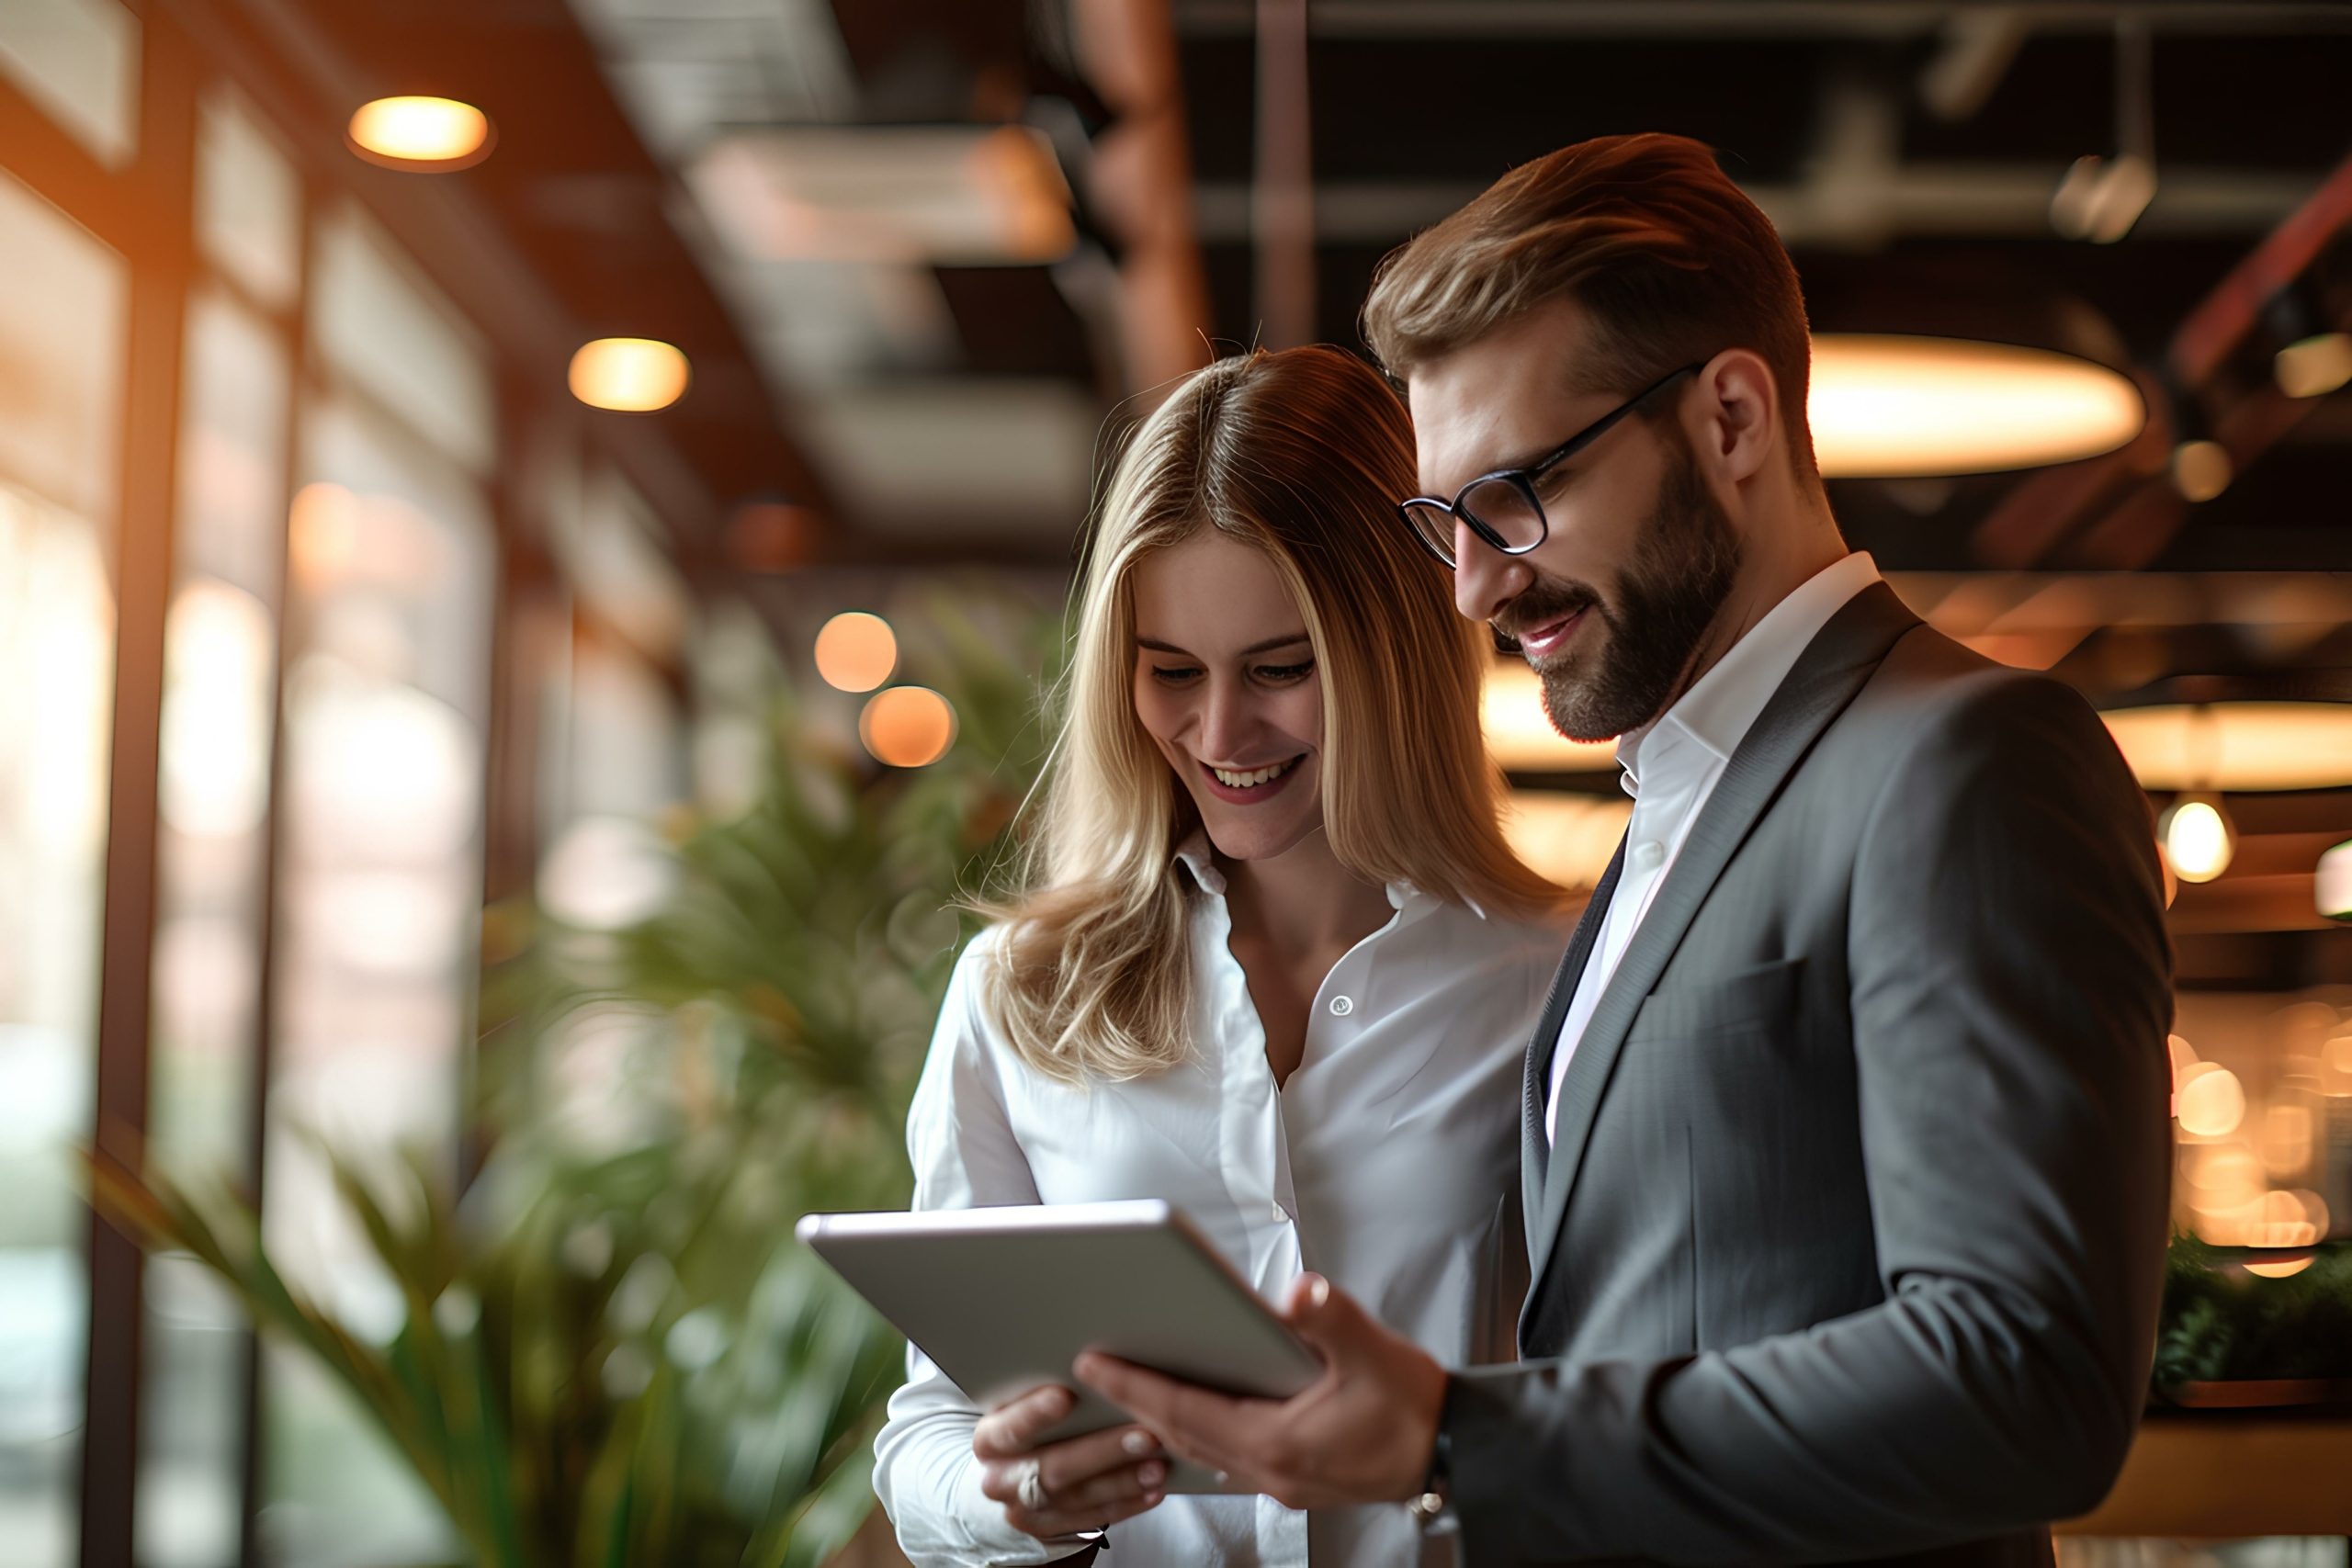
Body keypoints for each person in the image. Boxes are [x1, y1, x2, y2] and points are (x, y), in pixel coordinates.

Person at [1078, 132, 2175, 1568]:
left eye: (1520, 494)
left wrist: (1453, 1438)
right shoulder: (1676, 810)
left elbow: (2025, 1377)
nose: (1473, 586)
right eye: (1448, 516)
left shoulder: (1962, 761)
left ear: (1731, 419)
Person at [871, 344, 1575, 1566]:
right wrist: (1008, 1496)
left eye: (1280, 670)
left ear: (1396, 648)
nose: (1219, 731)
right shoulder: (1022, 992)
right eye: (1171, 674)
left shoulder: (1556, 975)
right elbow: (929, 1422)